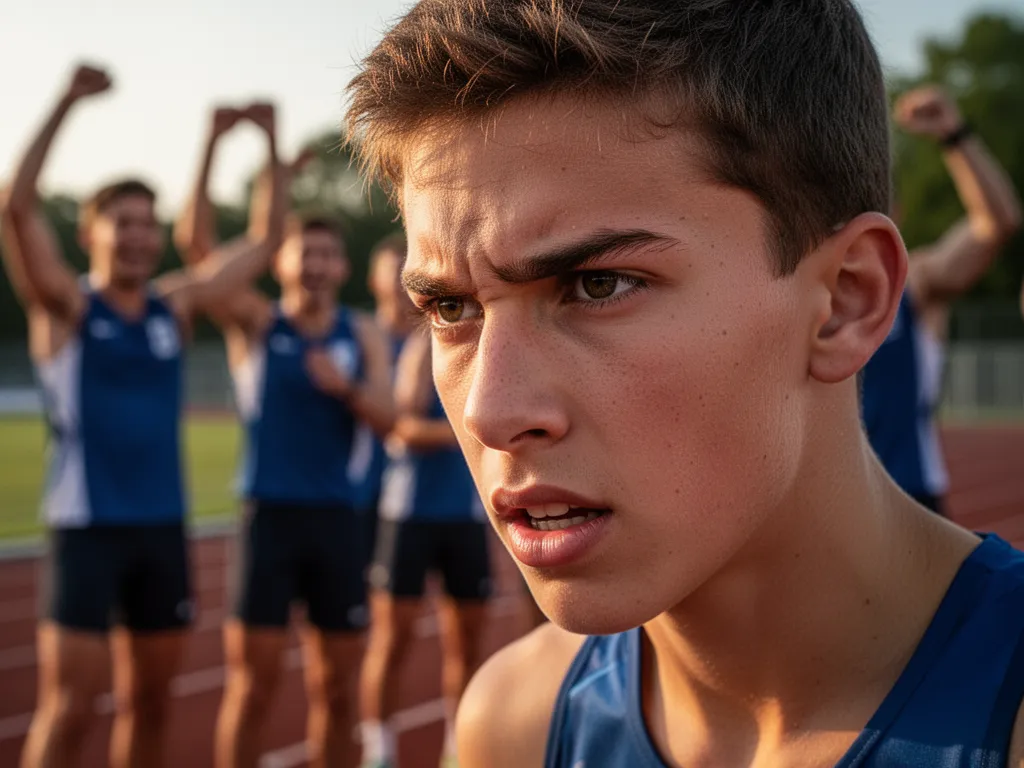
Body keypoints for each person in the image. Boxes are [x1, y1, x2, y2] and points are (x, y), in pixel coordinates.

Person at [344, 2, 1024, 767]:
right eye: (450, 307)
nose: (490, 409)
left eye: (598, 285)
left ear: (846, 300)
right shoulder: (512, 727)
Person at [0, 64, 284, 768]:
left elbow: (266, 242)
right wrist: (66, 100)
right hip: (87, 532)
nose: (136, 237)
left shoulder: (174, 308)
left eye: (145, 225)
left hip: (163, 531)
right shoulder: (67, 309)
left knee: (151, 706)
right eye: (120, 224)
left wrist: (260, 144)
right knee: (70, 712)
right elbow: (15, 206)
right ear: (91, 234)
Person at [175, 111, 396, 768]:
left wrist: (347, 390)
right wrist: (226, 145)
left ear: (342, 266)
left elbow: (391, 417)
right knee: (253, 683)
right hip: (267, 518)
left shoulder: (359, 335)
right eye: (307, 251)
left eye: (331, 253)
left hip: (337, 520)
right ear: (283, 259)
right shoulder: (255, 323)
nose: (320, 263)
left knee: (336, 686)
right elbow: (200, 251)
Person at [861, 85, 1022, 515]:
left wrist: (955, 135)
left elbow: (996, 223)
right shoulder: (802, 290)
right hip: (827, 506)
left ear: (895, 211)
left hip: (910, 500)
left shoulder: (913, 281)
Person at [358, 329, 492, 768]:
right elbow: (405, 426)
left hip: (467, 516)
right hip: (409, 516)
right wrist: (473, 430)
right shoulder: (423, 348)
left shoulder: (493, 344)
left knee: (467, 644)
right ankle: (380, 752)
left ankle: (458, 747)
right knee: (393, 640)